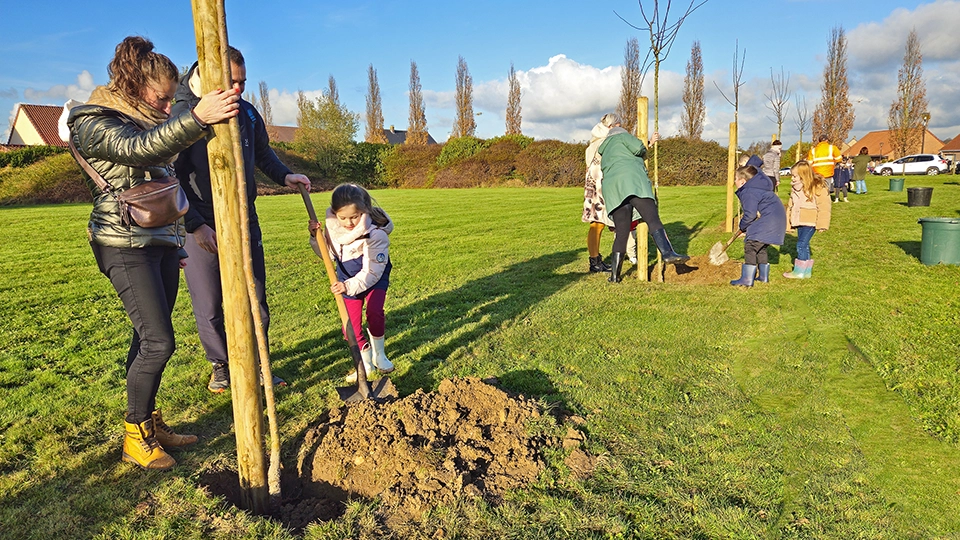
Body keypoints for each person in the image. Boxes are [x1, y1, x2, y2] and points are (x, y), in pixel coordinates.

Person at [65, 36, 240, 470]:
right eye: (162, 99)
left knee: (146, 339)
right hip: (122, 245)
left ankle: (149, 421)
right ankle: (135, 435)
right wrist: (197, 117)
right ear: (133, 86)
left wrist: (176, 242)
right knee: (160, 342)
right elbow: (136, 151)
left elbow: (166, 186)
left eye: (170, 101)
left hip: (157, 243)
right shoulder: (95, 120)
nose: (167, 108)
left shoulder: (147, 122)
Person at [171, 47, 311, 393]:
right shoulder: (182, 115)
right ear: (208, 75)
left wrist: (285, 176)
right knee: (210, 302)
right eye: (231, 81)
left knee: (256, 297)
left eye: (243, 82)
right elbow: (169, 175)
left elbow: (263, 154)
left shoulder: (247, 113)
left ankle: (259, 360)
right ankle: (222, 366)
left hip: (245, 218)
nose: (237, 90)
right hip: (201, 221)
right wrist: (195, 225)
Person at [597, 113, 688, 282]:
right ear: (617, 124)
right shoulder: (623, 135)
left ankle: (615, 276)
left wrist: (649, 143)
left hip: (613, 189)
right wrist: (648, 144)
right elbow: (638, 149)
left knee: (622, 232)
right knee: (652, 218)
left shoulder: (604, 146)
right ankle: (668, 253)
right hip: (633, 182)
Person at [319, 184, 395, 382]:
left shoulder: (375, 234)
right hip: (345, 277)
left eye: (354, 216)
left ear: (364, 209)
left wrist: (348, 286)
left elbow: (372, 272)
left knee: (374, 312)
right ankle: (366, 364)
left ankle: (380, 355)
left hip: (373, 277)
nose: (349, 222)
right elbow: (327, 256)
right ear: (335, 214)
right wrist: (315, 237)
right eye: (342, 218)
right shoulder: (333, 229)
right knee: (350, 326)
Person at [730, 165, 786, 287]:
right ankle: (763, 277)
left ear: (743, 181)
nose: (734, 181)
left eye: (735, 179)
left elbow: (750, 214)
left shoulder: (748, 191)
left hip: (768, 221)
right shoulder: (759, 188)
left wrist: (742, 226)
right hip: (777, 220)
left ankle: (747, 279)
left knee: (751, 246)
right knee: (761, 247)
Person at [783, 161, 831, 279]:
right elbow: (791, 206)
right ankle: (806, 272)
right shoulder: (795, 189)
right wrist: (788, 223)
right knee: (804, 244)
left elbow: (824, 207)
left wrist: (822, 224)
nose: (792, 178)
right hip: (799, 221)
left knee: (801, 244)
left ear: (803, 175)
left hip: (810, 222)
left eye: (794, 176)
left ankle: (799, 271)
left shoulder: (817, 187)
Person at [582, 120, 613, 273]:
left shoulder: (593, 143)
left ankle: (595, 259)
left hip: (593, 186)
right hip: (599, 186)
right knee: (597, 224)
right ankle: (594, 262)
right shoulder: (604, 143)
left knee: (597, 224)